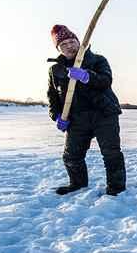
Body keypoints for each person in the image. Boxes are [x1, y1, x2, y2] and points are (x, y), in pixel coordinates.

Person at [47, 24, 126, 196]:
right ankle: (77, 185)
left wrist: (86, 76)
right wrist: (58, 116)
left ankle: (116, 189)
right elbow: (52, 98)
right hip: (76, 119)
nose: (69, 46)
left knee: (111, 153)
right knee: (71, 156)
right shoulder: (55, 70)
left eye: (71, 41)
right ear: (58, 49)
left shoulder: (97, 60)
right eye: (63, 45)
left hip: (104, 113)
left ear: (78, 41)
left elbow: (106, 81)